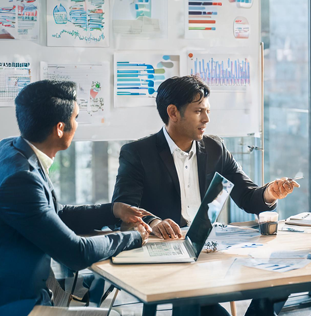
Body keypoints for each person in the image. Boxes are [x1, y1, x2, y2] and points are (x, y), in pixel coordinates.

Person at [0, 80, 152, 316]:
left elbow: (54, 214)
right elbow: (76, 252)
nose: (78, 124)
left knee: (95, 298)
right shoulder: (19, 179)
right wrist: (133, 237)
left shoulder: (11, 149)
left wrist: (112, 211)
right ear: (60, 128)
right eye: (76, 118)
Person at [112, 75, 298, 316]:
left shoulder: (214, 148)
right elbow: (124, 208)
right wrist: (154, 222)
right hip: (166, 253)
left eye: (208, 111)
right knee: (196, 301)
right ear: (173, 112)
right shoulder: (137, 153)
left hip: (209, 248)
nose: (207, 119)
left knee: (279, 277)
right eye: (199, 111)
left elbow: (247, 197)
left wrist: (270, 193)